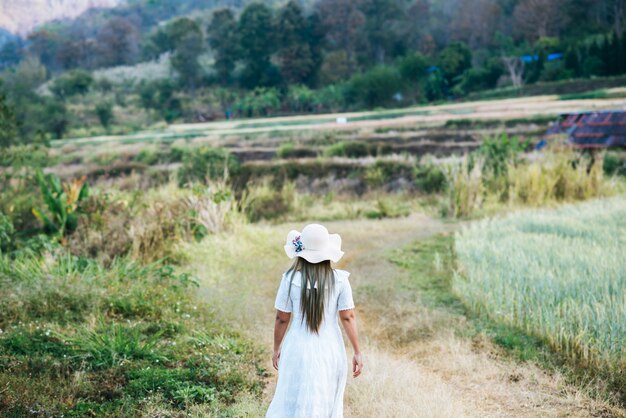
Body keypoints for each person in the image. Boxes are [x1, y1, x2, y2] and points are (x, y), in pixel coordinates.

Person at [266, 224, 363, 418]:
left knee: (292, 400)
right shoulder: (340, 280)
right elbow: (347, 316)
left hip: (297, 348)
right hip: (329, 348)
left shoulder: (289, 278)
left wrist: (277, 349)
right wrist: (357, 351)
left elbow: (281, 319)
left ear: (301, 253)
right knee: (324, 399)